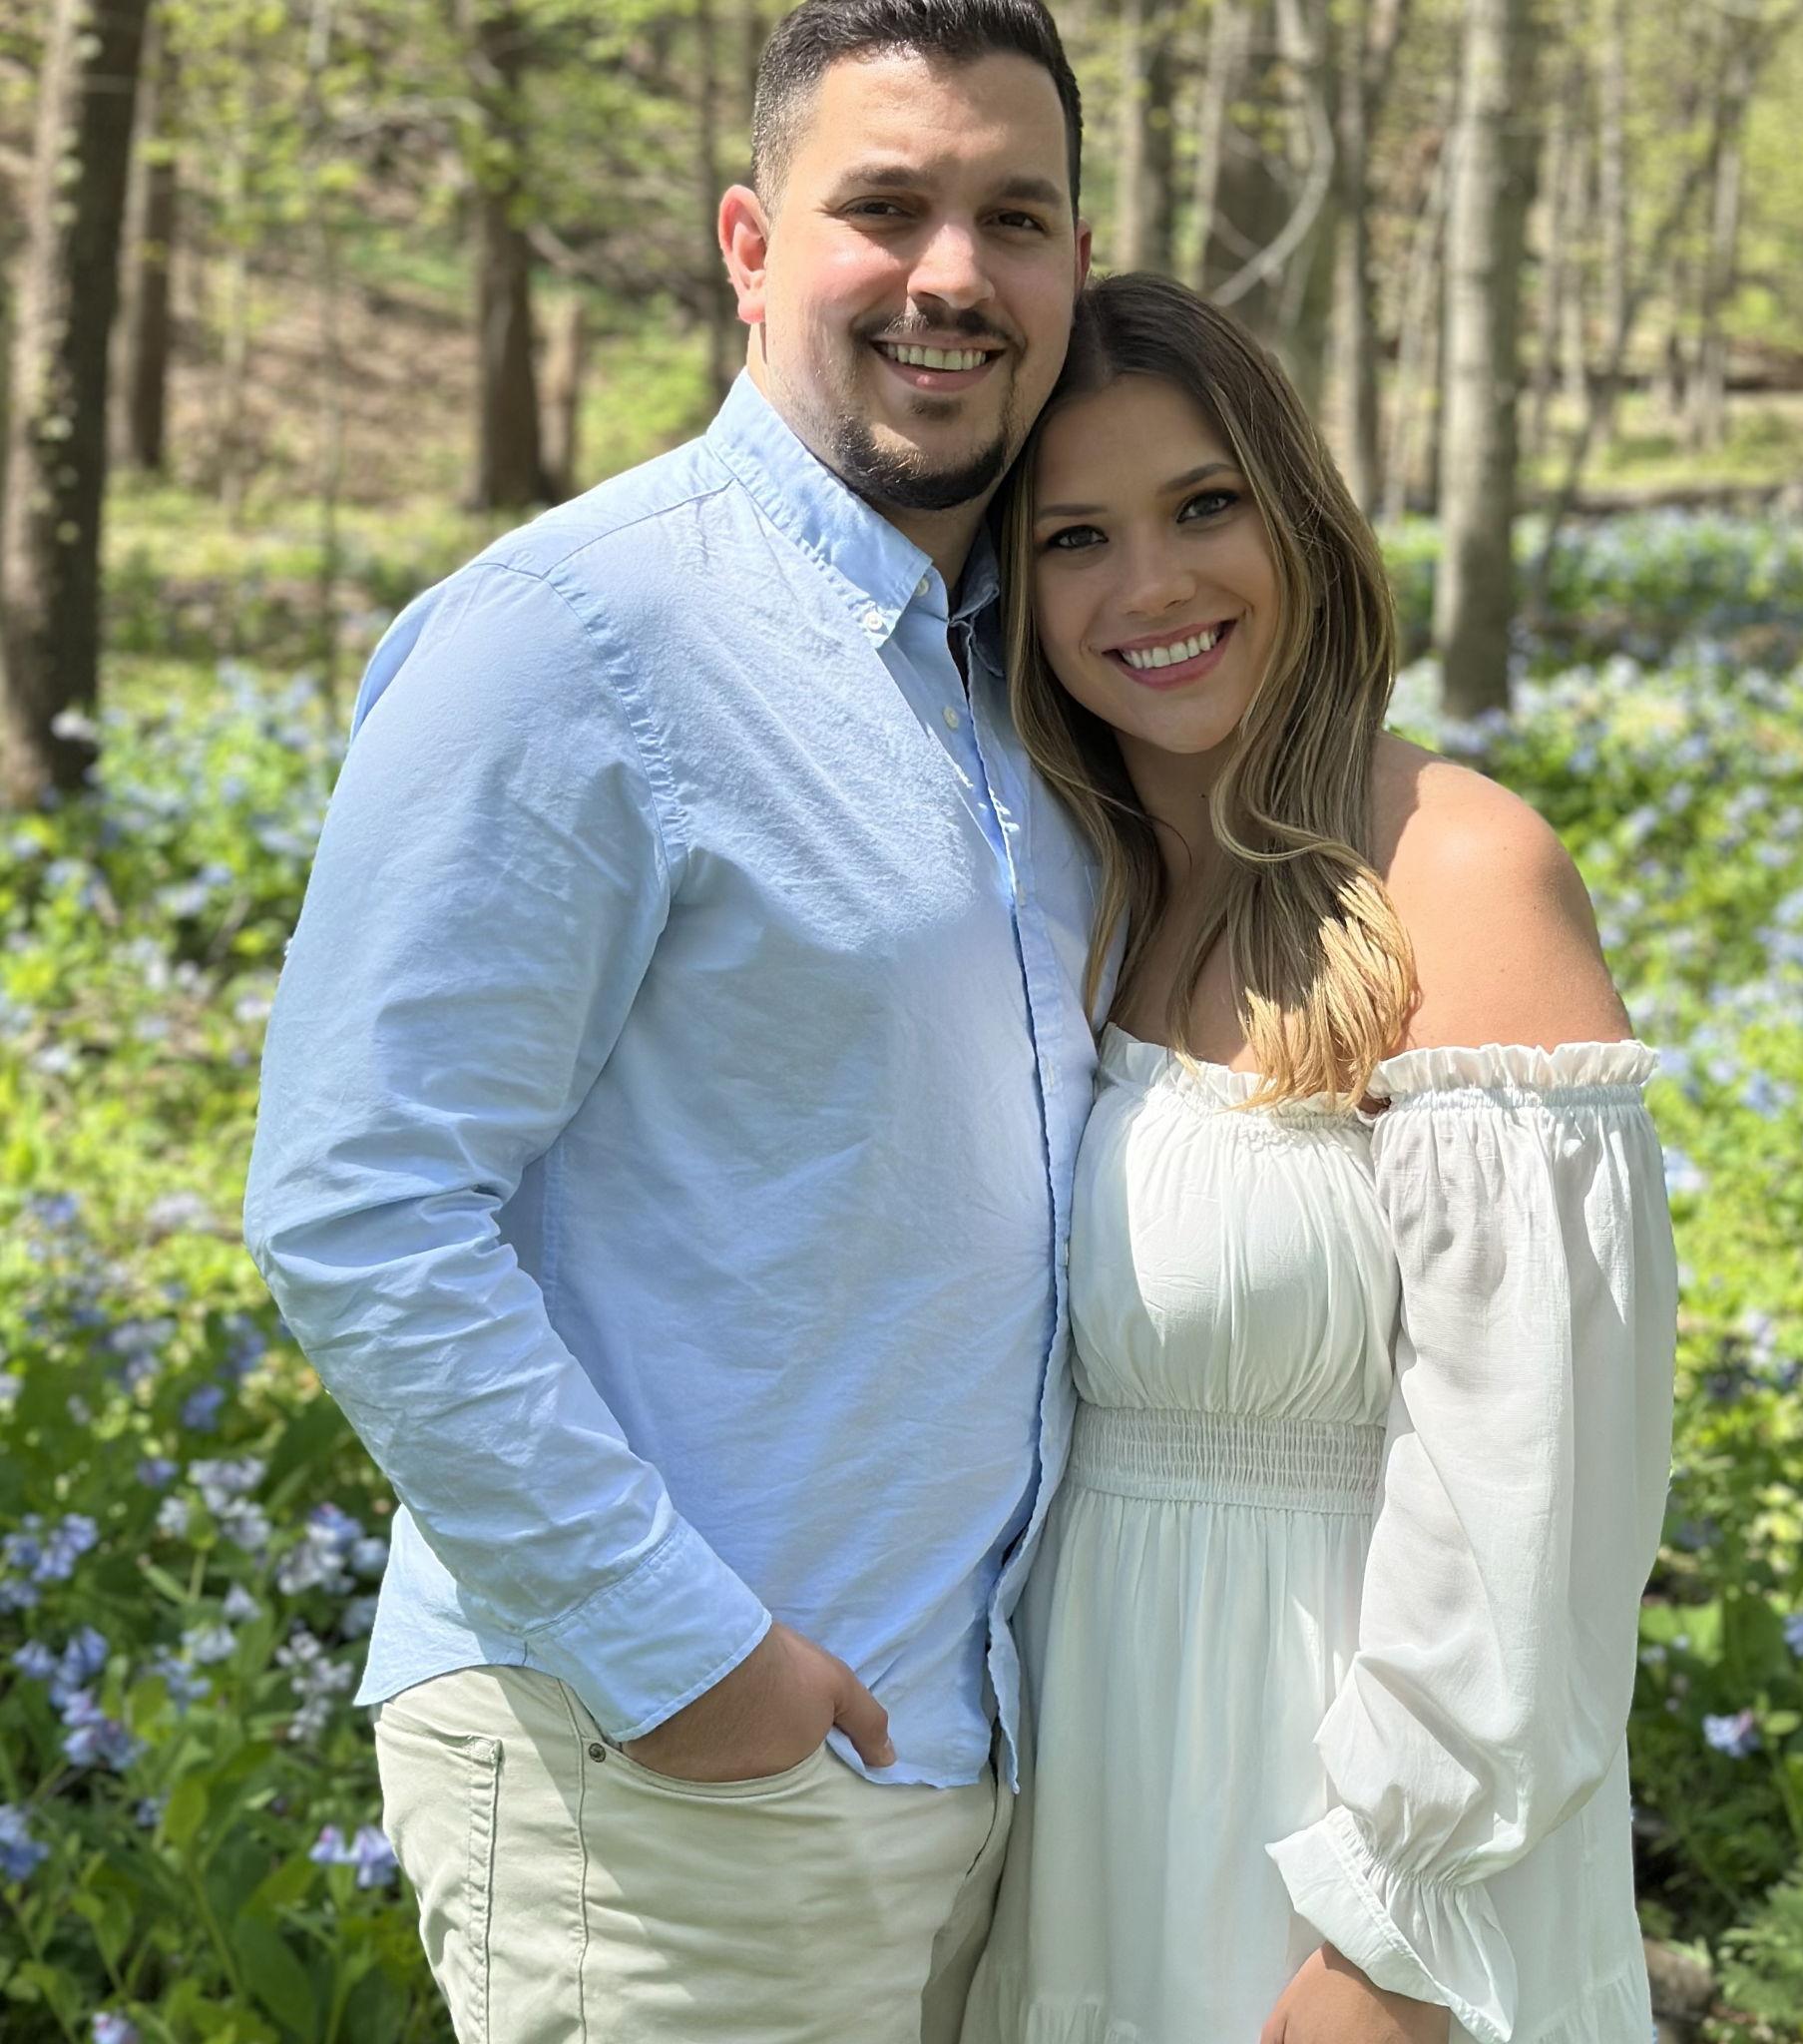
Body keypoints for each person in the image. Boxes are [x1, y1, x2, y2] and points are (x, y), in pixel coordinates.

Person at [240, 4, 1097, 2038]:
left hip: (975, 1772)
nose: (951, 275)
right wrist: (687, 1657)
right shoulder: (578, 637)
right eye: (880, 207)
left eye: (1015, 216)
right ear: (746, 241)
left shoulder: (1025, 678)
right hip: (671, 1784)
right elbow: (359, 1201)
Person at [961, 272, 1680, 2044]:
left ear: (1298, 511)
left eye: (1204, 505)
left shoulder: (1458, 874)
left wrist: (1389, 1936)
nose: (1155, 585)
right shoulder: (1090, 895)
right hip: (1088, 1779)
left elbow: (1541, 1488)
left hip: (1341, 1829)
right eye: (1074, 538)